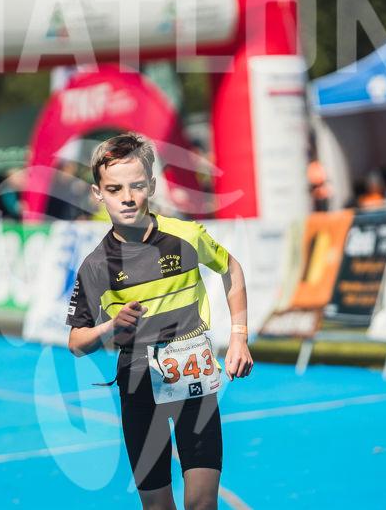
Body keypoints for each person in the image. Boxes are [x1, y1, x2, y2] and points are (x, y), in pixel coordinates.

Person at [66, 133, 253, 510]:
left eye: (136, 186)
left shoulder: (186, 235)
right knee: (157, 506)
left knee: (202, 503)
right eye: (114, 189)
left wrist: (239, 336)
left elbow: (231, 268)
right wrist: (111, 327)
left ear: (151, 185)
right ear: (98, 193)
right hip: (138, 383)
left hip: (193, 376)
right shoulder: (96, 266)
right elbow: (76, 341)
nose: (127, 197)